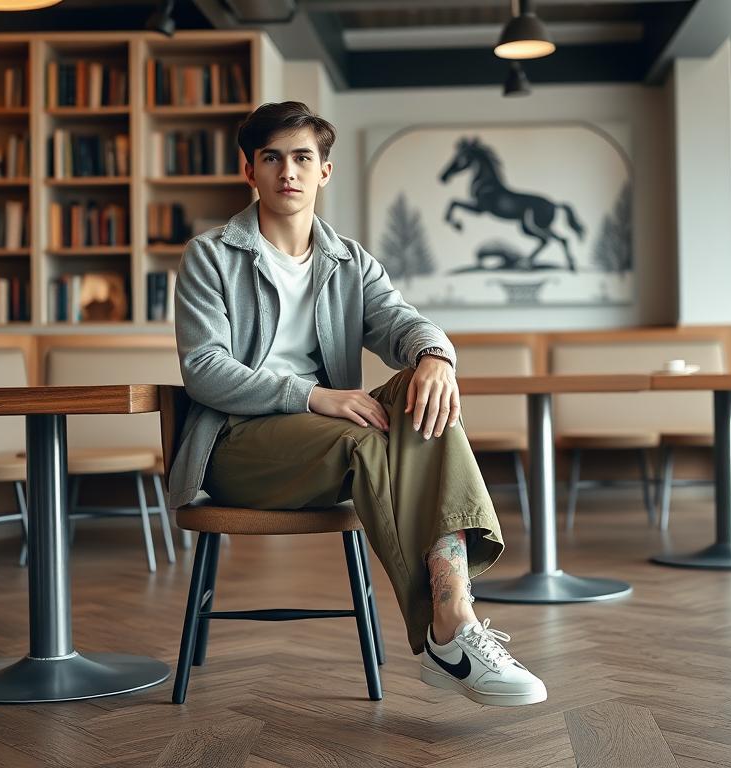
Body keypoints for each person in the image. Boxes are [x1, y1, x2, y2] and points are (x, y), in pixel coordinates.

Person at [169, 101, 546, 707]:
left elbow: (402, 321)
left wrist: (435, 357)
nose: (286, 172)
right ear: (250, 172)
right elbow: (205, 372)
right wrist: (313, 395)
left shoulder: (349, 261)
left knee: (431, 395)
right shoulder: (210, 256)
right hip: (239, 446)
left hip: (327, 444)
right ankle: (447, 635)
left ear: (324, 171)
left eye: (301, 158)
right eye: (271, 159)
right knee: (366, 438)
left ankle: (457, 617)